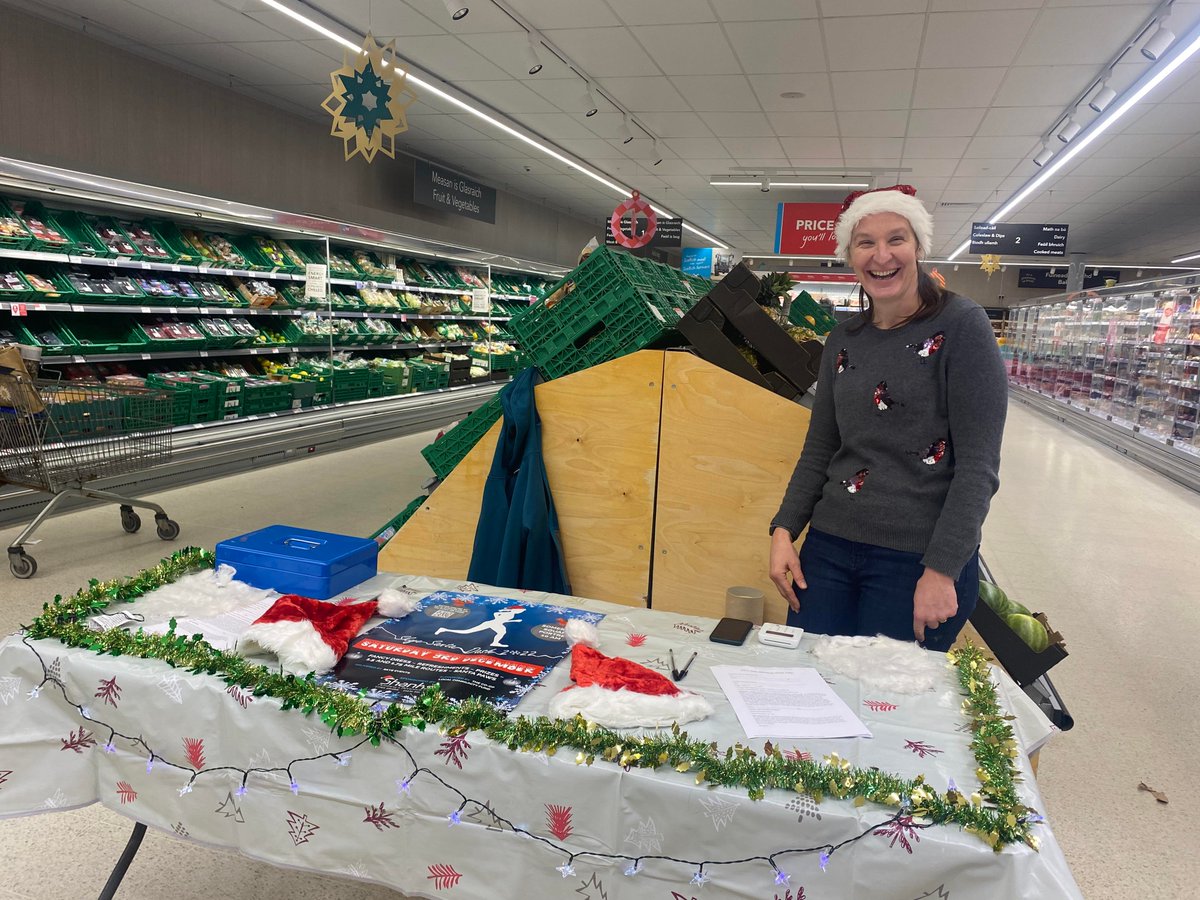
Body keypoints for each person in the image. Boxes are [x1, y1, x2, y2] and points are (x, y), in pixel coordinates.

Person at [768, 185, 1007, 652]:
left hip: (915, 558)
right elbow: (820, 447)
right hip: (829, 550)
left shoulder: (963, 326)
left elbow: (978, 467)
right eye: (865, 242)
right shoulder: (842, 338)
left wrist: (942, 569)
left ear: (918, 245)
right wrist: (784, 531)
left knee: (890, 708)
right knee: (814, 688)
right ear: (849, 256)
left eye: (896, 239)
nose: (882, 255)